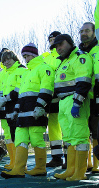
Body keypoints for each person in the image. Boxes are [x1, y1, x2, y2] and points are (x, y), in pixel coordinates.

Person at [1, 43, 54, 179]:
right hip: (23, 114)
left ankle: (40, 168)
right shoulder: (26, 73)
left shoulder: (44, 68)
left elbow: (47, 89)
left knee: (37, 140)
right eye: (24, 56)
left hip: (36, 112)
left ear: (35, 54)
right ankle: (18, 169)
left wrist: (40, 106)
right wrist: (16, 110)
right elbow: (22, 95)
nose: (26, 58)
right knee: (20, 140)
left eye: (28, 55)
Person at [51, 34, 93, 181]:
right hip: (63, 103)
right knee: (68, 138)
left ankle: (80, 172)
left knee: (80, 137)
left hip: (74, 100)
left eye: (60, 44)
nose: (58, 48)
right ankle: (71, 169)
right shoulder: (62, 62)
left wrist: (77, 103)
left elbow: (84, 81)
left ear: (69, 42)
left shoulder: (80, 57)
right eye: (56, 47)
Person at [0, 49, 26, 170]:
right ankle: (15, 163)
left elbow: (19, 89)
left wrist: (6, 98)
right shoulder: (5, 74)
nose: (6, 62)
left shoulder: (22, 70)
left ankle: (20, 166)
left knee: (20, 136)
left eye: (8, 59)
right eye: (4, 60)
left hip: (19, 106)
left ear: (14, 58)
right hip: (8, 107)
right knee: (12, 135)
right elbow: (2, 91)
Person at [42, 31, 65, 168]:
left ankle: (70, 158)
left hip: (63, 95)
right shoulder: (45, 57)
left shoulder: (64, 55)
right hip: (50, 97)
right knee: (53, 128)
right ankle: (57, 158)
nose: (52, 41)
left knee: (66, 126)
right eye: (50, 39)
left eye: (55, 39)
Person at [79, 22, 99, 173]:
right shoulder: (80, 54)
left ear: (94, 32)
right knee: (84, 132)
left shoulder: (97, 50)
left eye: (87, 30)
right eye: (81, 31)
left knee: (97, 131)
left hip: (96, 98)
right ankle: (87, 164)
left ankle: (97, 166)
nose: (83, 33)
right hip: (84, 99)